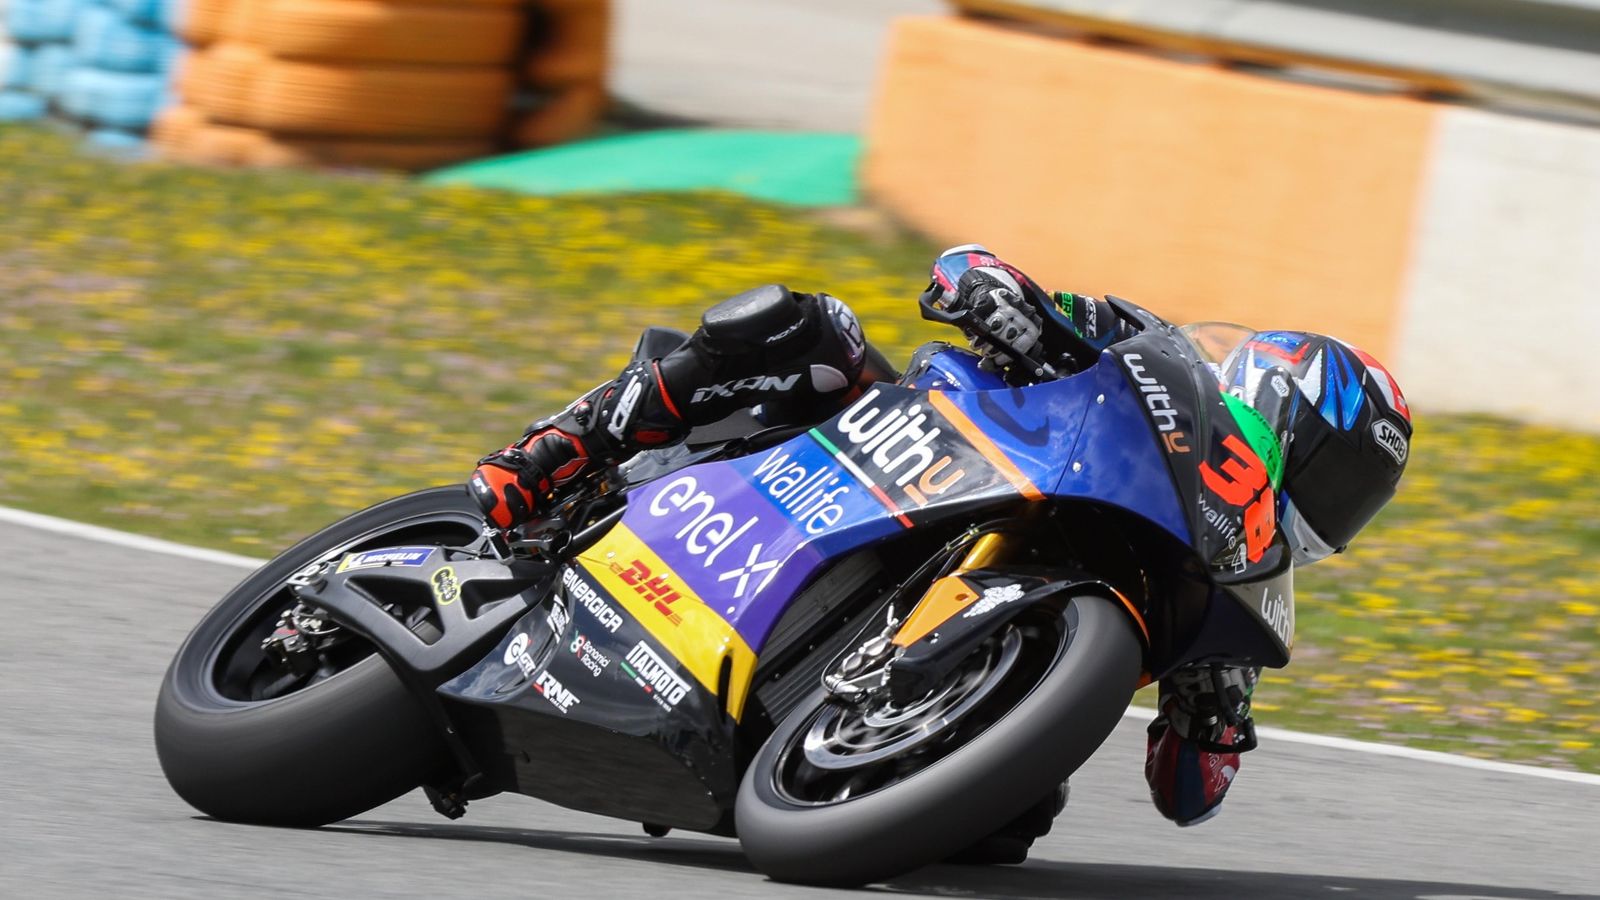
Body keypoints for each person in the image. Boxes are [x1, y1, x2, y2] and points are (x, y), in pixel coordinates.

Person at [469, 243, 1413, 843]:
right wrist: (1000, 299)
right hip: (915, 445)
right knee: (805, 328)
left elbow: (1187, 798)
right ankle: (560, 453)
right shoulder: (1145, 348)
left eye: (1354, 500)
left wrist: (1214, 726)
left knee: (1015, 825)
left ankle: (823, 759)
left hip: (1012, 568)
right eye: (1337, 474)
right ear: (1283, 402)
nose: (1335, 507)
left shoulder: (1241, 571)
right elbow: (964, 270)